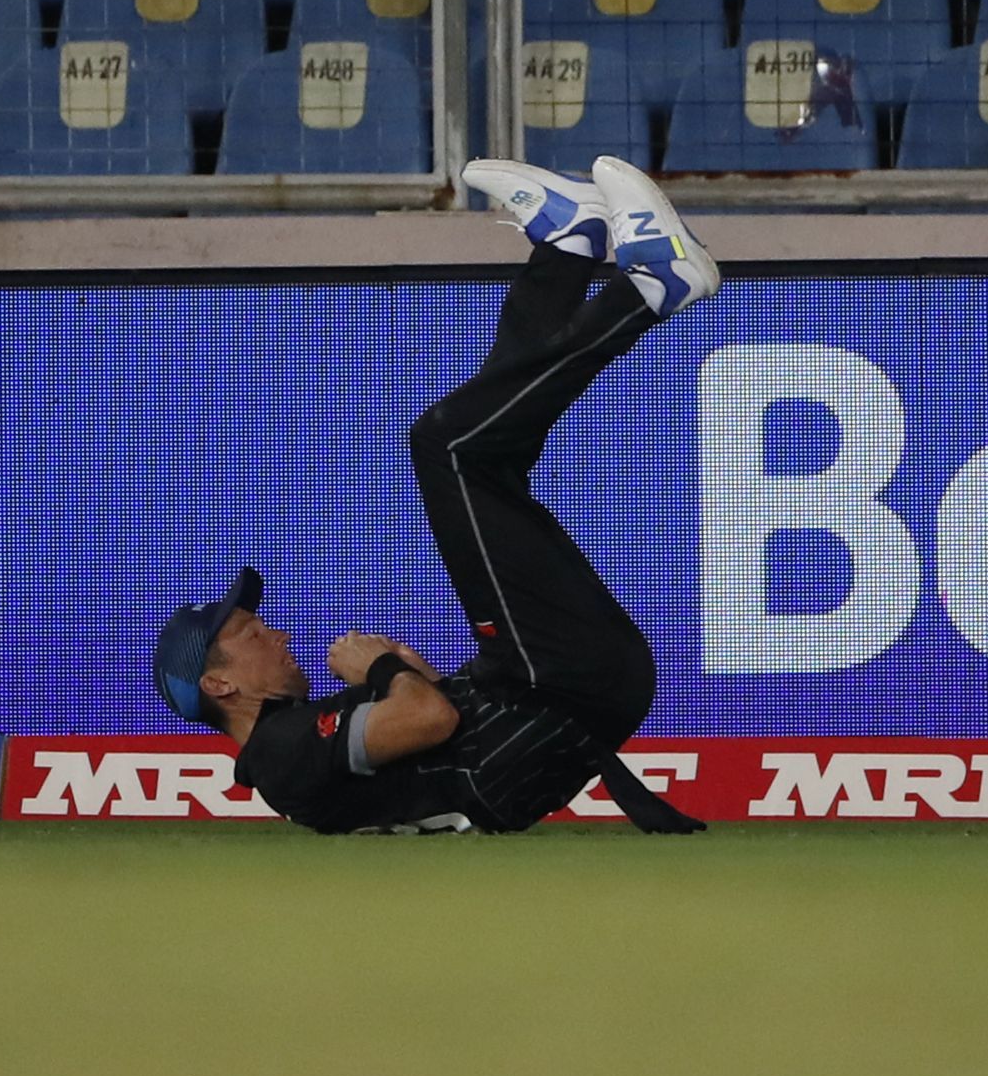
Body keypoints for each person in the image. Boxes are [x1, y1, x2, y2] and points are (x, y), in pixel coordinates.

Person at [150, 156, 720, 835]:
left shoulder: (294, 743)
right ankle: (653, 286)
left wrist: (406, 674)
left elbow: (429, 748)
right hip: (562, 685)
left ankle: (568, 249)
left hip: (558, 686)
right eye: (249, 635)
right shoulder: (277, 751)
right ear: (220, 686)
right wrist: (385, 667)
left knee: (486, 450)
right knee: (449, 450)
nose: (277, 635)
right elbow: (431, 719)